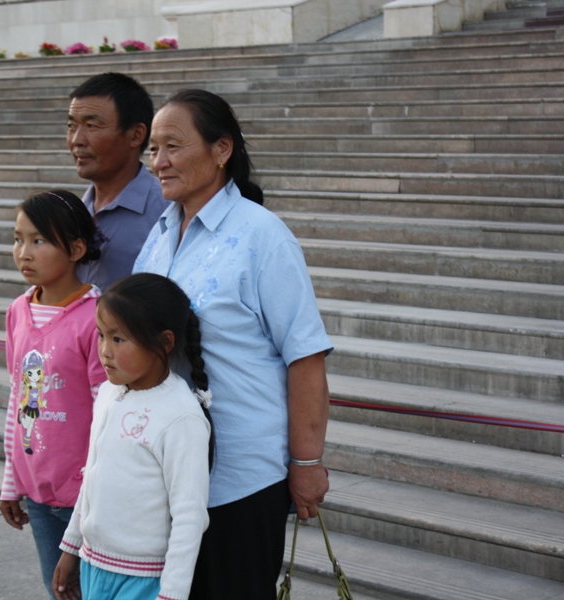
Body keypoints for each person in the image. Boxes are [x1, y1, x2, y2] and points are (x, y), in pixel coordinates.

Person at [134, 89, 333, 600]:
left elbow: (305, 357)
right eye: (153, 149)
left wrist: (307, 465)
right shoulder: (159, 234)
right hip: (166, 473)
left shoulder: (263, 237)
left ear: (221, 150)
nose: (159, 162)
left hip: (239, 478)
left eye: (173, 147)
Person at [52, 273, 213, 600]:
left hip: (141, 580)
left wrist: (171, 595)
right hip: (93, 565)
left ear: (165, 342)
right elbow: (91, 475)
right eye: (101, 336)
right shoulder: (109, 394)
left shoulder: (181, 416)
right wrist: (72, 546)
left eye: (118, 339)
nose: (104, 351)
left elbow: (189, 517)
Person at [0, 189, 108, 599]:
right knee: (59, 591)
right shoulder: (17, 312)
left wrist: (89, 502)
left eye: (39, 240)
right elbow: (18, 402)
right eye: (18, 238)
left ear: (77, 248)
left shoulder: (96, 318)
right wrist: (11, 482)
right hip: (39, 496)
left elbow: (106, 418)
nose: (23, 252)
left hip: (90, 498)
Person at [67, 72, 170, 292]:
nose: (77, 140)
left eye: (92, 126)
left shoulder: (168, 212)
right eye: (71, 126)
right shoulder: (73, 213)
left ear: (136, 135)